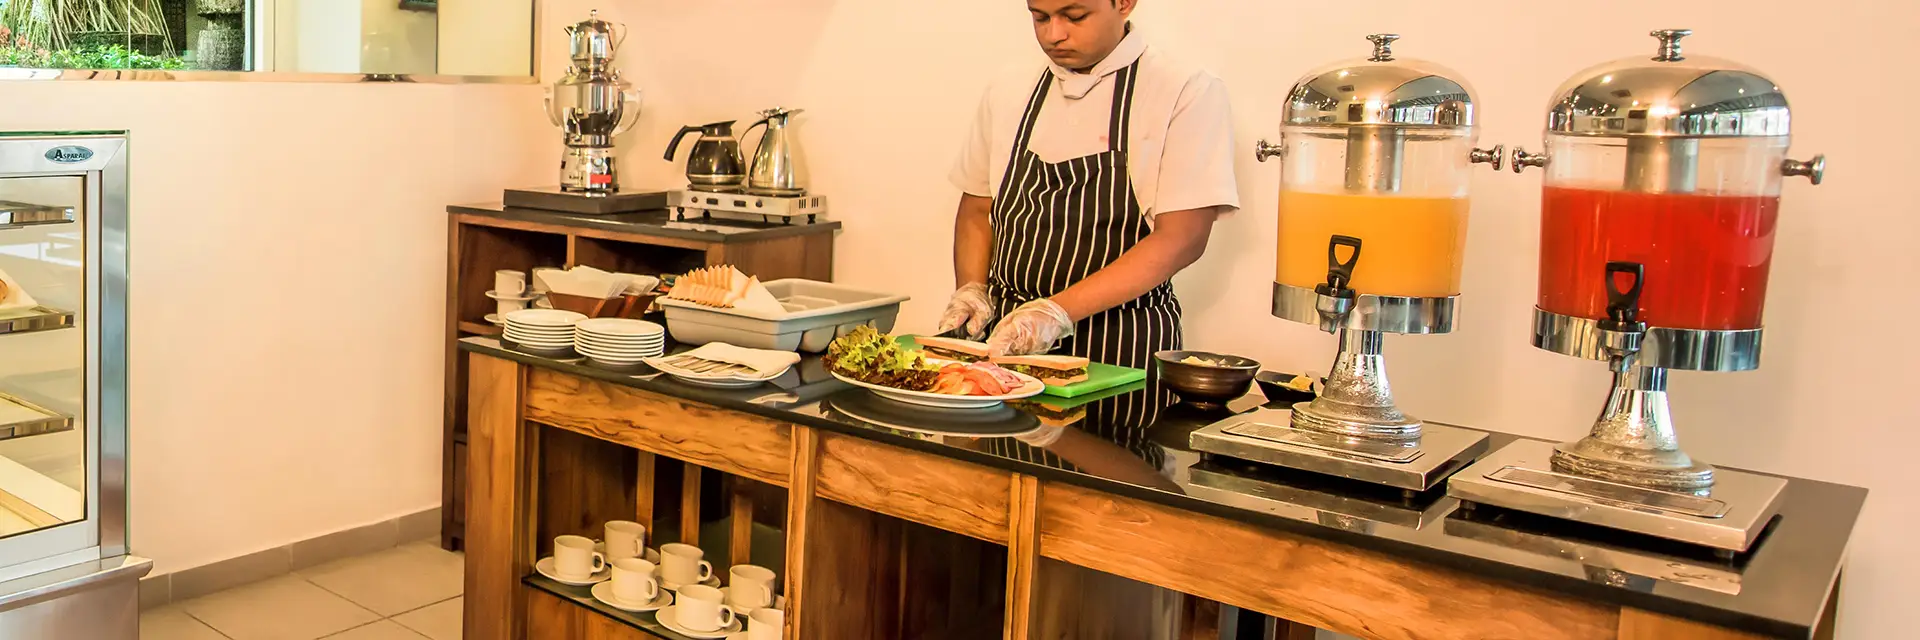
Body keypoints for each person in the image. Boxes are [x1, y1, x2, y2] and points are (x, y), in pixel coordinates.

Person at [940, 0, 1238, 386]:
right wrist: (971, 290)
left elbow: (1183, 238)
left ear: (1124, 3)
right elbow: (979, 209)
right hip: (1004, 342)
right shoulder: (1010, 87)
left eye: (1075, 16)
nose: (1054, 34)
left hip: (1119, 348)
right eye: (1040, 17)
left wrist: (1054, 313)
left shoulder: (1184, 89)